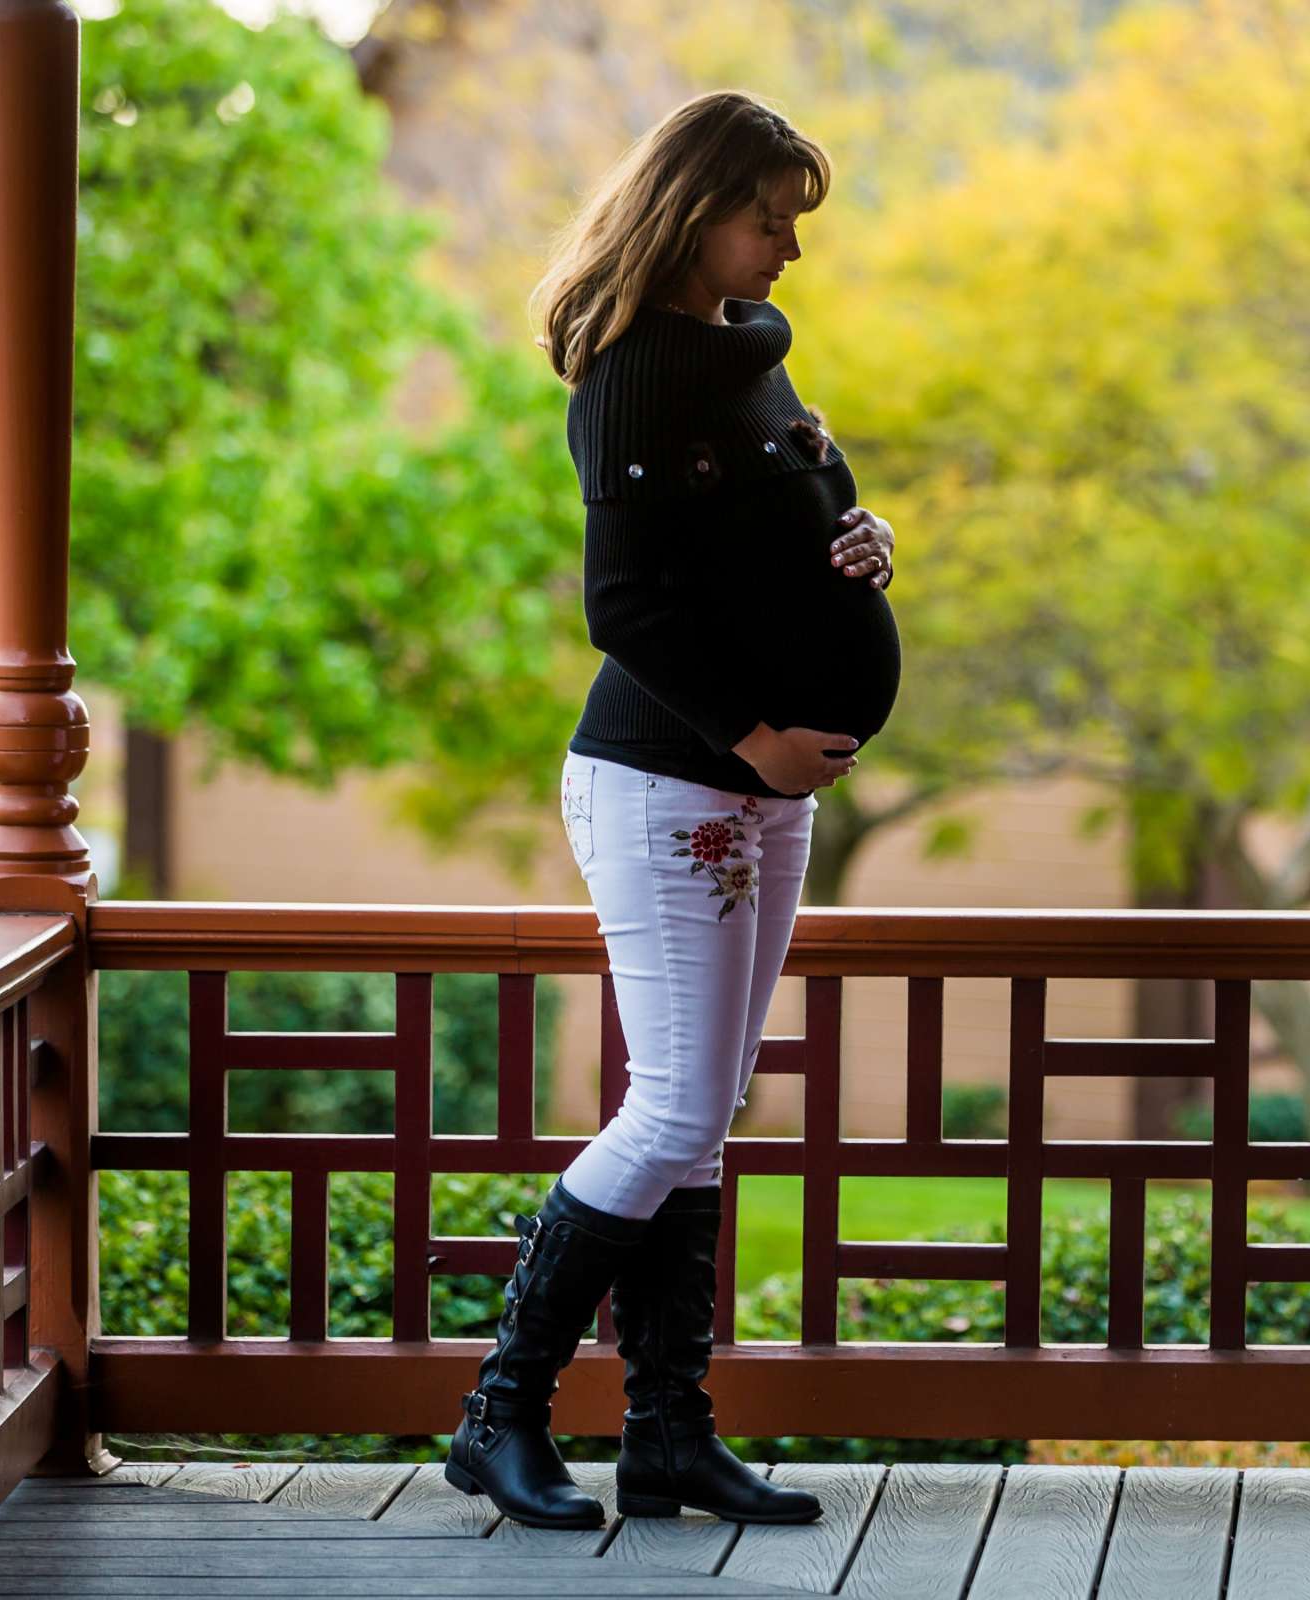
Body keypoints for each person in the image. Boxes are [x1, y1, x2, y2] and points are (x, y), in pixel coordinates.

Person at [444, 90, 900, 1532]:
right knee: (676, 1107)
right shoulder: (641, 372)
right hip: (673, 782)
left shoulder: (742, 365)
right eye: (770, 220)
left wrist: (864, 532)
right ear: (695, 210)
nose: (787, 250)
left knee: (702, 1120)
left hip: (755, 794)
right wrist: (758, 737)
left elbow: (757, 547)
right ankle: (499, 1414)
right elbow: (626, 601)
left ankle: (667, 1435)